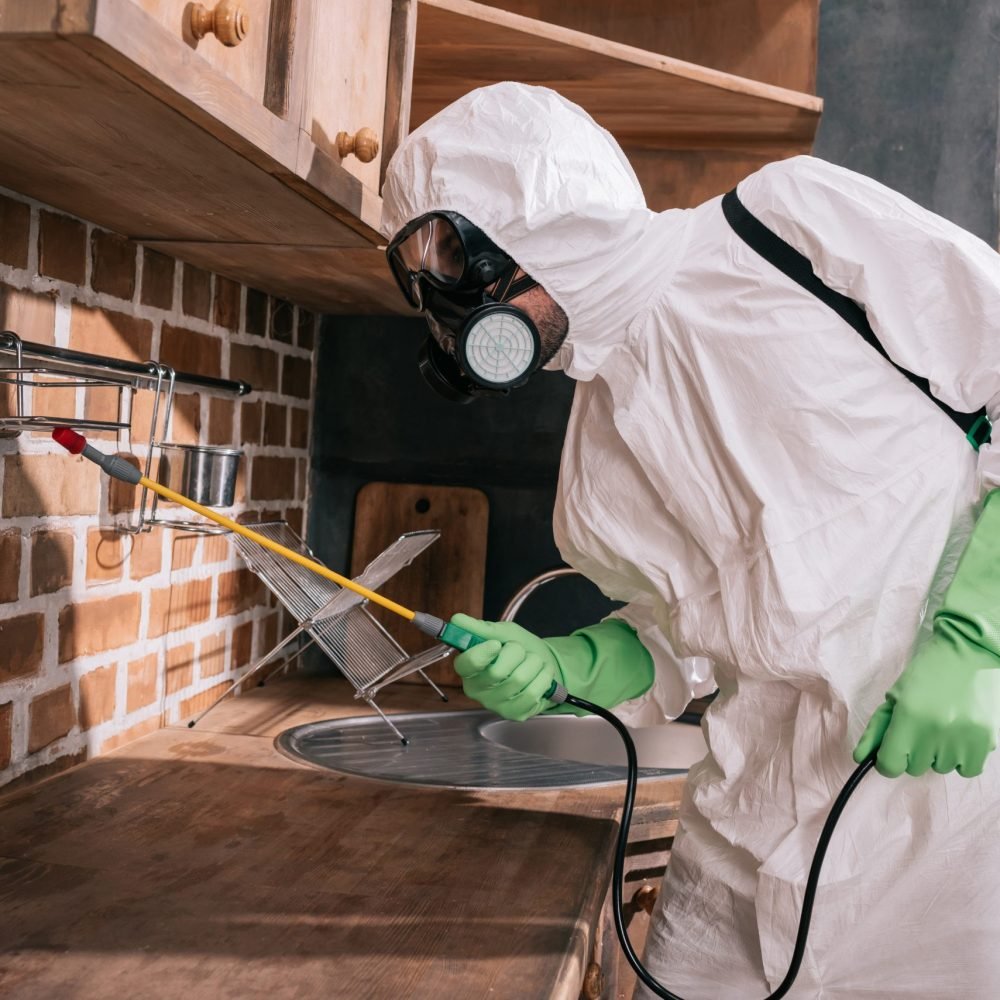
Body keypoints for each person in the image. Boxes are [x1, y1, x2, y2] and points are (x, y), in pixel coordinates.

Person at [381, 81, 1000, 998]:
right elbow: (684, 642)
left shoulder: (787, 228)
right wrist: (566, 664)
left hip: (956, 829)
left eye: (448, 257)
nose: (449, 314)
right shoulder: (595, 466)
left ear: (537, 218)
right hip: (742, 843)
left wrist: (976, 641)